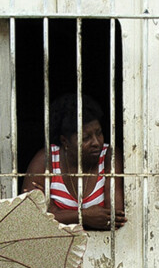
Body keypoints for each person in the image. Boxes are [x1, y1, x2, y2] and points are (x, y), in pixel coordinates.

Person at [21, 93, 126, 231]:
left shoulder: (109, 156)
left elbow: (114, 218)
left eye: (99, 133)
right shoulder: (46, 161)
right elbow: (31, 216)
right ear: (65, 141)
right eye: (85, 138)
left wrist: (57, 213)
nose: (96, 142)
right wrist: (85, 216)